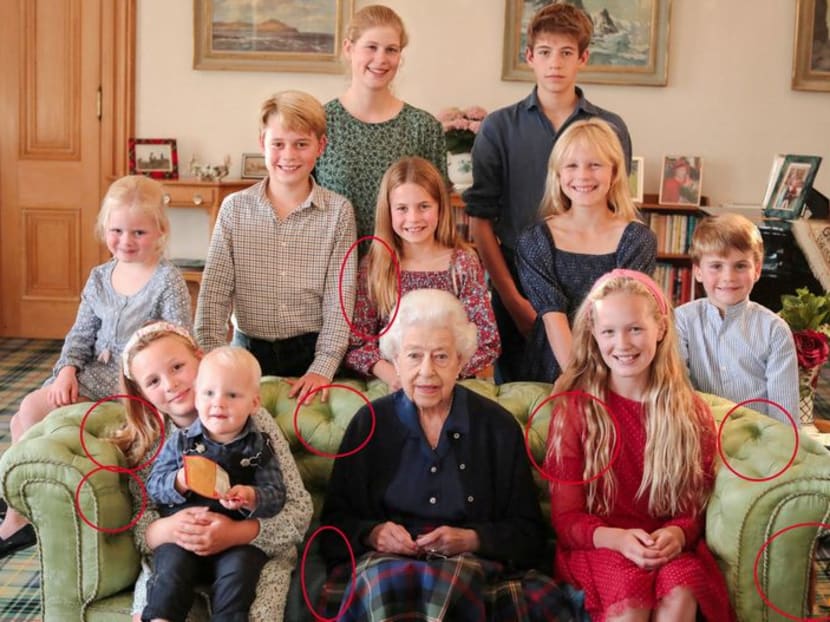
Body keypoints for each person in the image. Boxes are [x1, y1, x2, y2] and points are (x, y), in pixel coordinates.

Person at [320, 289, 581, 621]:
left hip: (475, 565)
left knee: (459, 582)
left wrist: (472, 538)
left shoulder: (497, 427)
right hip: (385, 566)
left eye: (441, 356)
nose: (427, 371)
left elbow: (528, 535)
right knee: (388, 584)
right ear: (396, 360)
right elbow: (333, 527)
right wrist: (373, 533)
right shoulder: (369, 424)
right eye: (414, 356)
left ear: (461, 361)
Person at [0, 175, 192, 557]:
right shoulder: (100, 277)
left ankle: (18, 515)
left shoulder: (168, 281)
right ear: (105, 228)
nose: (125, 241)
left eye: (138, 232)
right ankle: (22, 502)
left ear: (160, 231)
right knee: (26, 414)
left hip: (135, 385)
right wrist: (67, 370)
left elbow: (177, 340)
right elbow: (80, 334)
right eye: (116, 230)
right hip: (90, 375)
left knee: (49, 427)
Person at [545, 269, 734, 622]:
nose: (624, 344)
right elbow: (566, 520)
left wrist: (677, 533)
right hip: (598, 547)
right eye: (609, 332)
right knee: (630, 596)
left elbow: (694, 508)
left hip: (665, 548)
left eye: (635, 329)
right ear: (594, 337)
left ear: (660, 329)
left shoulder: (688, 411)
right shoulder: (576, 410)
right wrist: (616, 539)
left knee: (680, 589)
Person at [463, 2, 632, 383]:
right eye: (544, 52)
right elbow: (480, 220)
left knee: (594, 390)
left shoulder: (609, 127)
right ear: (529, 57)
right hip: (516, 284)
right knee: (519, 401)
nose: (555, 63)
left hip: (592, 282)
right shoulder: (499, 127)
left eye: (566, 53)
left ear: (584, 57)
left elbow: (618, 207)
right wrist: (513, 301)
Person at [112, 321, 313, 621]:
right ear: (141, 392)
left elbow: (297, 510)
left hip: (249, 546)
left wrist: (237, 531)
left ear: (200, 359)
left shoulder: (253, 422)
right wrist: (168, 528)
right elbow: (142, 521)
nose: (170, 384)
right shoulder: (153, 439)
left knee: (252, 606)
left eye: (178, 366)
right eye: (153, 381)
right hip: (177, 551)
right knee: (160, 596)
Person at [195, 90, 357, 405]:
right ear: (262, 144)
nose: (289, 155)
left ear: (320, 147)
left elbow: (340, 301)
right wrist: (215, 363)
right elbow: (213, 295)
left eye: (301, 144)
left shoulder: (338, 213)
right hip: (246, 353)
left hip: (311, 353)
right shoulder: (234, 209)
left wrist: (322, 368)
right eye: (278, 144)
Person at [142, 346, 286, 621]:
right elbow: (154, 485)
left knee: (241, 571)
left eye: (232, 395)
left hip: (234, 541)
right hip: (184, 539)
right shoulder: (182, 441)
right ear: (197, 397)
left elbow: (277, 495)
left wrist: (251, 496)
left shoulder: (259, 446)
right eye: (208, 393)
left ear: (254, 403)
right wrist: (179, 481)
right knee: (170, 569)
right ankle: (162, 617)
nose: (218, 403)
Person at [516, 118, 656, 383]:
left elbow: (625, 313)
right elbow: (552, 316)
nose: (583, 176)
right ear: (557, 175)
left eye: (595, 165)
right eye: (571, 165)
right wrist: (577, 378)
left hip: (620, 361)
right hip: (555, 364)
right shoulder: (535, 240)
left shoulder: (637, 239)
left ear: (614, 173)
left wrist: (604, 381)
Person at [344, 157, 499, 387]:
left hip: (450, 385)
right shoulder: (375, 266)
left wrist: (441, 374)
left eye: (424, 206)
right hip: (392, 385)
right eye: (402, 209)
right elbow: (357, 344)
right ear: (388, 211)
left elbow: (488, 341)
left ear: (440, 207)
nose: (413, 218)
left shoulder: (461, 264)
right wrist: (395, 377)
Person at [314, 4, 448, 241]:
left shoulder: (424, 128)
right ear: (348, 48)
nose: (381, 59)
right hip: (334, 267)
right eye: (371, 47)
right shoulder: (320, 122)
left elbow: (438, 211)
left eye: (391, 50)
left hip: (403, 270)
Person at [675, 214, 799, 424]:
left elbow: (785, 414)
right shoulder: (681, 321)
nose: (729, 277)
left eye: (740, 266)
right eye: (716, 266)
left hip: (760, 443)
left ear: (757, 270)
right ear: (698, 272)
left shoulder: (775, 330)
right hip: (700, 436)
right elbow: (677, 392)